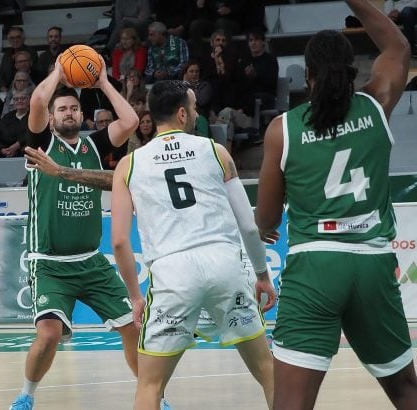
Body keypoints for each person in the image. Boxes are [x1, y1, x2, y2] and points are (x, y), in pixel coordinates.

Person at [255, 1, 417, 409]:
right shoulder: (376, 105)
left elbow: (268, 219)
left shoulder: (282, 130)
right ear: (352, 71)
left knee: (291, 405)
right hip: (372, 264)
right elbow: (397, 48)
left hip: (315, 267)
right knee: (405, 392)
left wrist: (266, 223)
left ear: (307, 75)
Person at [110, 80, 275, 410]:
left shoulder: (128, 165)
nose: (197, 112)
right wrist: (262, 274)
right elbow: (247, 224)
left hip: (173, 273)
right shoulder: (216, 151)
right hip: (225, 264)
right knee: (268, 368)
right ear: (183, 113)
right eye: (195, 107)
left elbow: (118, 241)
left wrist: (135, 297)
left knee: (150, 384)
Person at [8, 54, 140, 410]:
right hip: (49, 263)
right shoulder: (40, 145)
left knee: (133, 329)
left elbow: (130, 120)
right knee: (49, 335)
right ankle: (25, 396)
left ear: (82, 116)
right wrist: (59, 72)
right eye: (61, 109)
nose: (68, 113)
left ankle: (152, 395)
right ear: (51, 118)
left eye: (73, 109)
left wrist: (103, 84)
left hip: (92, 262)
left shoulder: (94, 146)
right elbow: (37, 100)